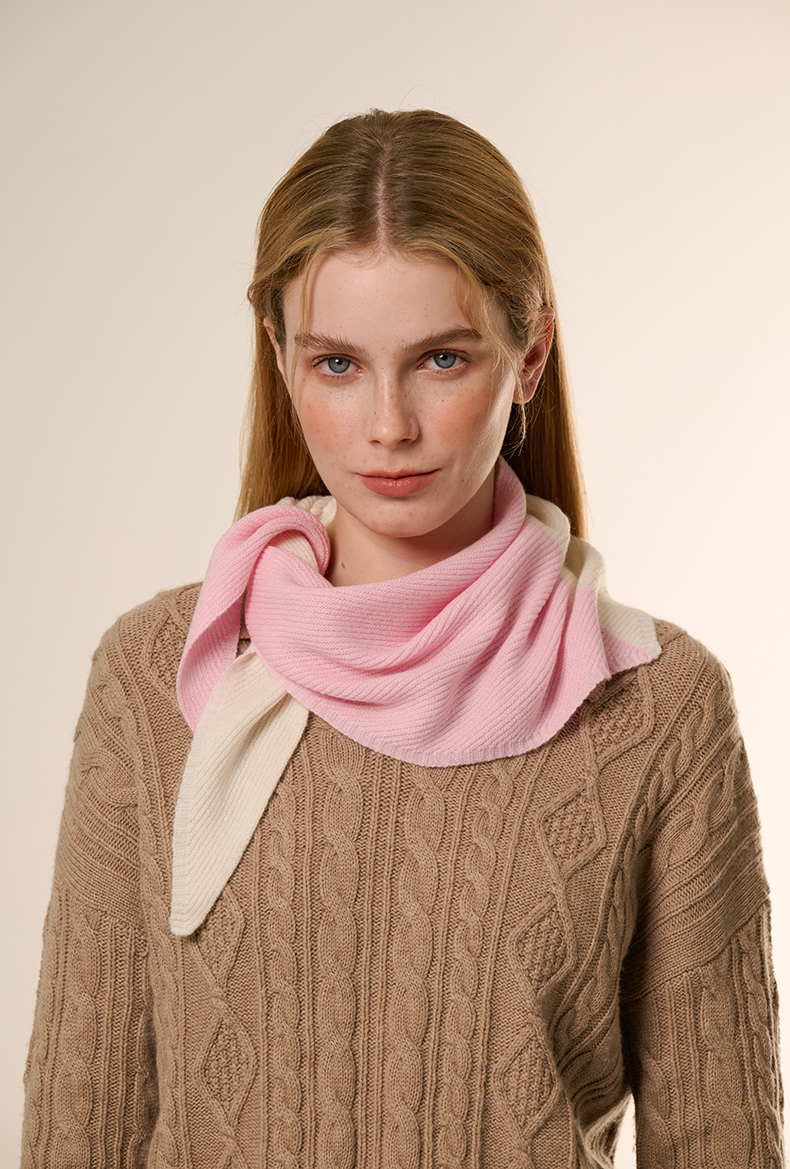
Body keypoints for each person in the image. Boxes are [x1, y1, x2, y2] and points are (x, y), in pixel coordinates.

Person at [21, 109, 783, 1168]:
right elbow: (80, 1130)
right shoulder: (155, 676)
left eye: (441, 358)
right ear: (280, 358)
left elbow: (723, 1143)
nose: (388, 426)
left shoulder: (656, 706)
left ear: (529, 355)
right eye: (338, 363)